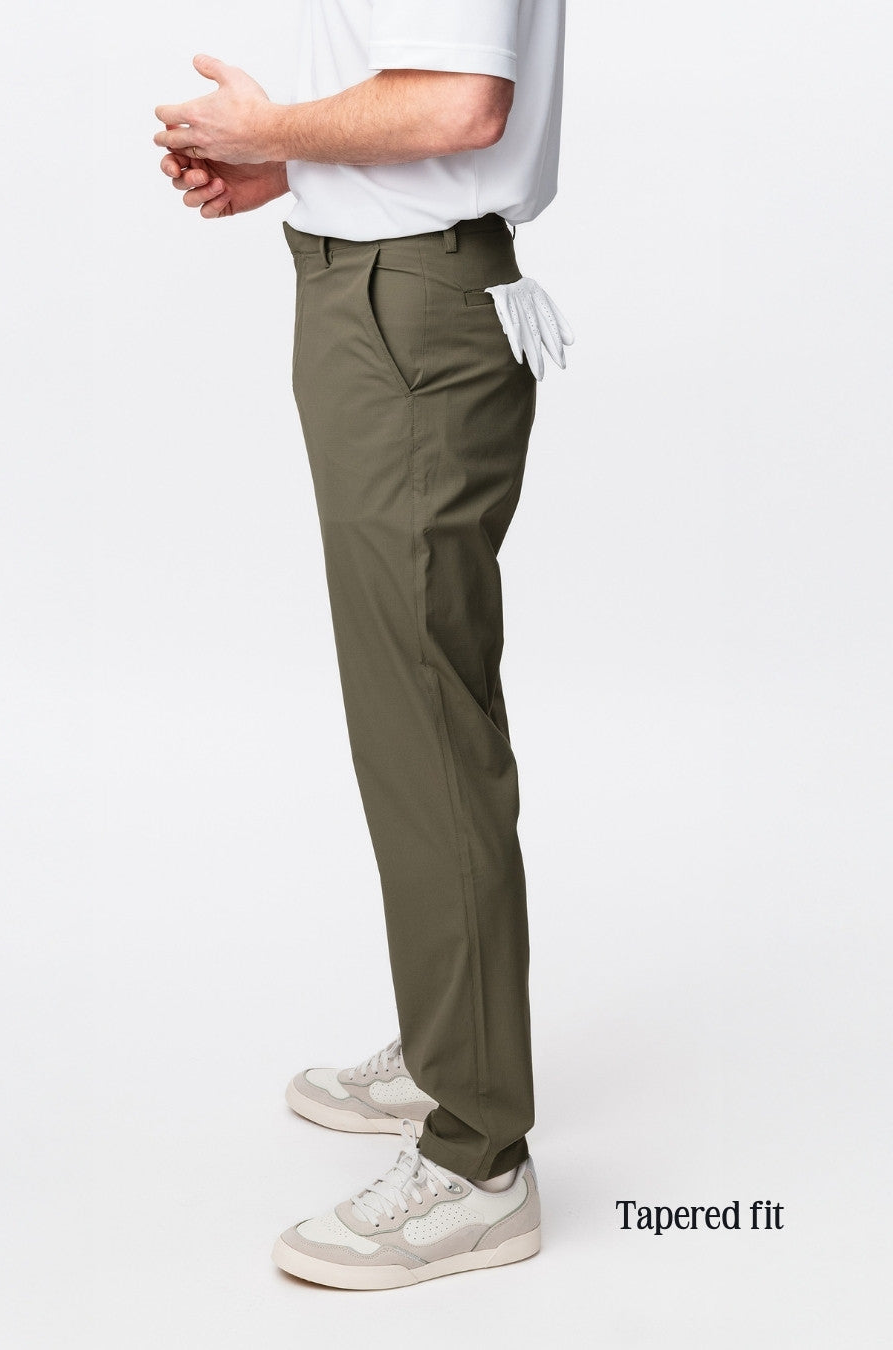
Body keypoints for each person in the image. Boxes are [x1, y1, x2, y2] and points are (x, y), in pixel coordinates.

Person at [154, 0, 569, 1290]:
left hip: (410, 314)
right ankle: (456, 1042)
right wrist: (294, 164)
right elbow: (418, 100)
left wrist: (269, 126)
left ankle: (478, 1156)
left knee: (424, 722)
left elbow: (461, 106)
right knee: (410, 713)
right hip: (373, 289)